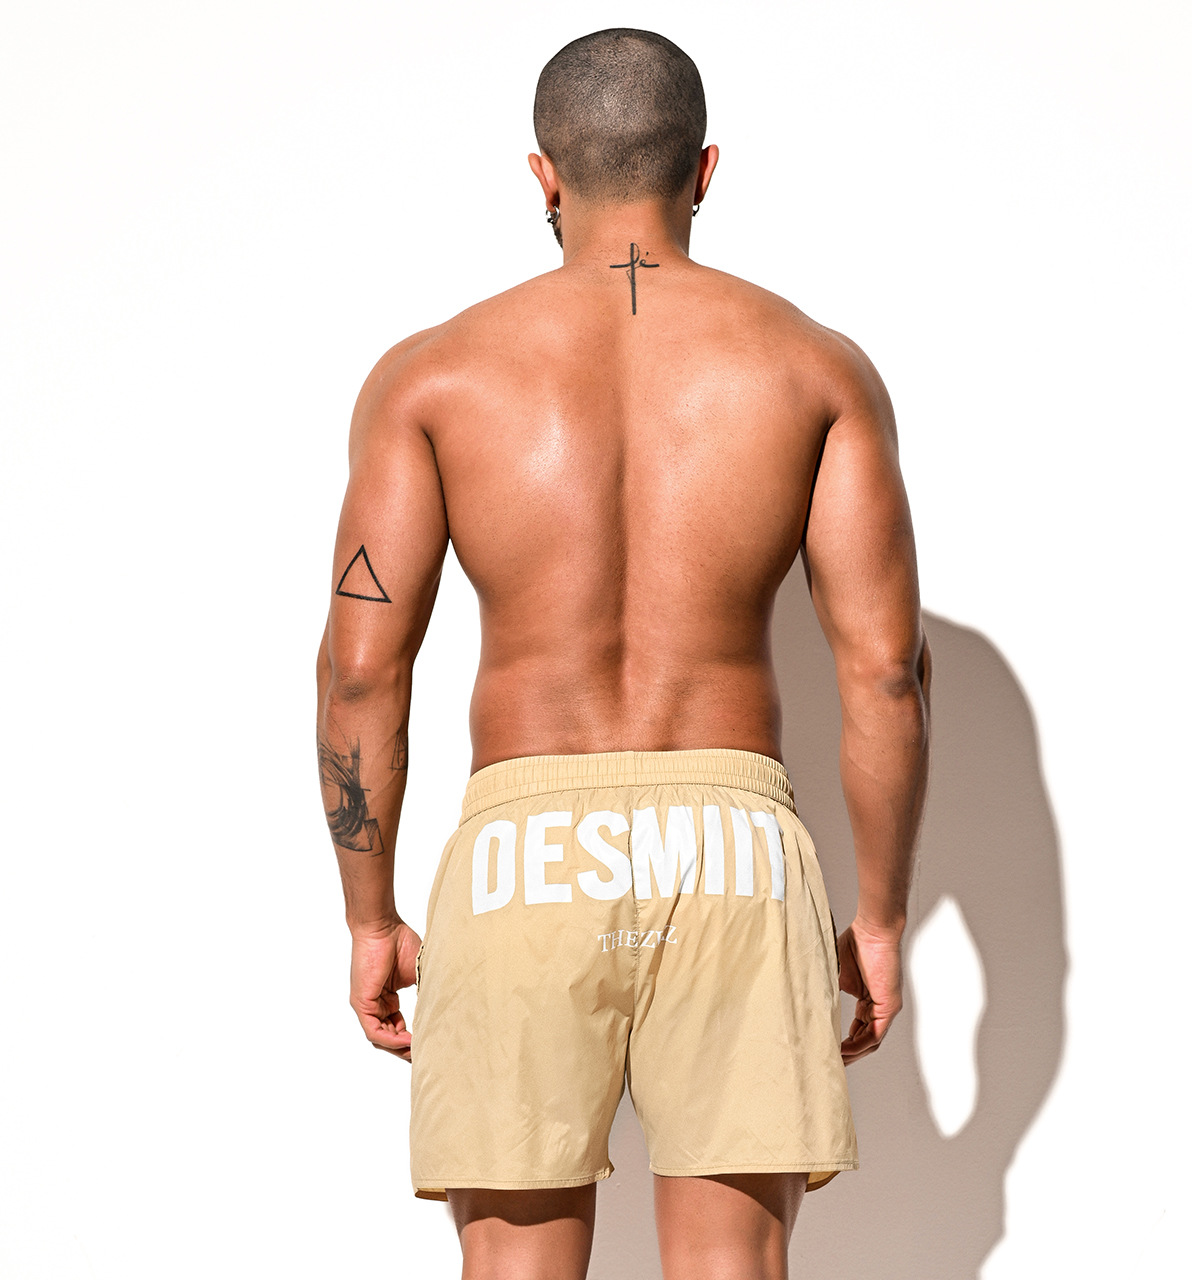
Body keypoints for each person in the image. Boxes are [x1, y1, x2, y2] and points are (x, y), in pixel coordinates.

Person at [316, 27, 930, 1280]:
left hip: (519, 854)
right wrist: (878, 912)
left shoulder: (431, 378)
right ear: (702, 170)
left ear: (542, 177)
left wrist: (369, 916)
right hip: (734, 846)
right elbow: (882, 669)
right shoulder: (814, 369)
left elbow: (361, 670)